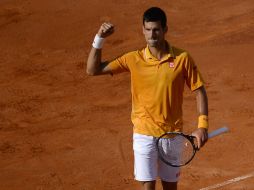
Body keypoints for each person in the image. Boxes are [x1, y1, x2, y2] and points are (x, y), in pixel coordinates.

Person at [86, 7, 208, 190]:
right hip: (144, 134)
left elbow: (199, 90)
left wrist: (202, 126)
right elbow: (92, 70)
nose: (152, 34)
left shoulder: (182, 58)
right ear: (143, 30)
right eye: (148, 29)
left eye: (157, 29)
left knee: (170, 188)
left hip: (172, 134)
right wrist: (99, 38)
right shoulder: (132, 59)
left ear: (165, 30)